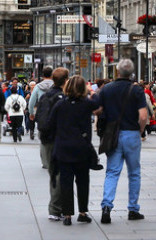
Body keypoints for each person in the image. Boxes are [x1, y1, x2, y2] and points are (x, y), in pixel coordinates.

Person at [95, 59, 148, 224]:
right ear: (131, 73)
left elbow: (97, 110)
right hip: (132, 133)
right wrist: (140, 130)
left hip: (114, 134)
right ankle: (133, 209)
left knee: (112, 172)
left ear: (117, 72)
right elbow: (143, 116)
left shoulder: (107, 89)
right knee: (134, 173)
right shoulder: (137, 90)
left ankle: (106, 207)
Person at [45, 75, 100, 225]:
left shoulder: (60, 104)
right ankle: (83, 212)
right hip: (82, 147)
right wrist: (91, 92)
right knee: (83, 180)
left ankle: (68, 215)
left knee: (66, 181)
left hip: (63, 147)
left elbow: (50, 124)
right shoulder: (87, 104)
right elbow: (98, 104)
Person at [35, 68, 70, 221]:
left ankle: (58, 207)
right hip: (58, 139)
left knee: (54, 173)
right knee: (59, 174)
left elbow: (37, 116)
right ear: (65, 80)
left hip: (46, 138)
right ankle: (55, 209)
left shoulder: (45, 96)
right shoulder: (61, 98)